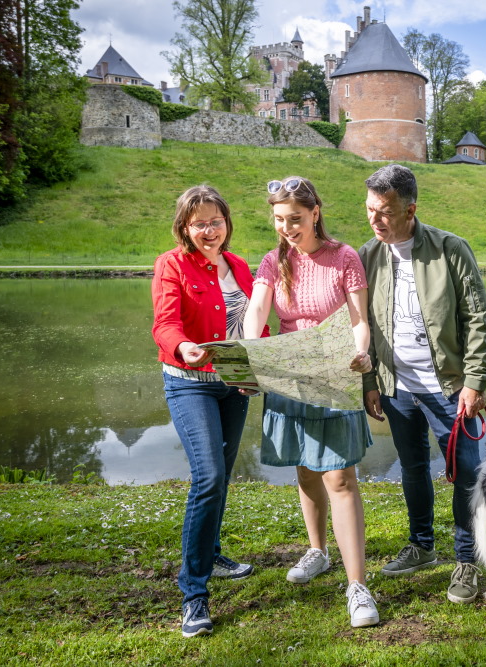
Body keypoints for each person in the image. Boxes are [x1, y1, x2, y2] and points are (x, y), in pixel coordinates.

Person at [242, 176, 379, 628]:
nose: (286, 228)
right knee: (304, 466)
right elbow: (257, 314)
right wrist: (248, 352)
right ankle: (318, 551)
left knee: (339, 477)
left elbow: (360, 321)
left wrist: (362, 353)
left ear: (315, 212)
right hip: (289, 375)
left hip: (335, 374)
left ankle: (358, 586)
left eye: (295, 219)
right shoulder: (270, 260)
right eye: (279, 220)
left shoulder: (345, 257)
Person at [358, 163, 486, 604]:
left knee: (466, 473)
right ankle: (421, 546)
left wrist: (474, 380)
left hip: (449, 387)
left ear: (410, 209)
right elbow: (364, 327)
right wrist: (372, 383)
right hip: (397, 387)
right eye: (370, 210)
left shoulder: (450, 249)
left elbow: (476, 318)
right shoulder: (367, 256)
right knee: (412, 467)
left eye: (386, 212)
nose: (376, 220)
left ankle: (467, 561)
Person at [152, 185, 268, 637]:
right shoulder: (172, 264)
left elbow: (253, 324)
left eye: (215, 221)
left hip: (232, 386)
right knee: (209, 477)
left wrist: (261, 366)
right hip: (189, 385)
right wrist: (182, 345)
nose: (209, 231)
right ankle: (193, 593)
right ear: (184, 227)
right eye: (199, 223)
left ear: (226, 223)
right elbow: (165, 323)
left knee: (221, 471)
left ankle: (212, 552)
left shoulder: (239, 265)